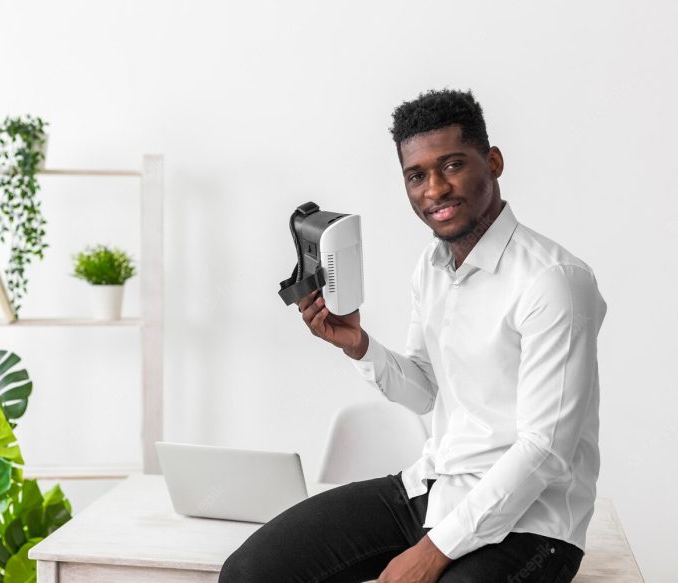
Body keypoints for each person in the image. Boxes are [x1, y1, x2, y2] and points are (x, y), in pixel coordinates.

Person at [219, 88, 607, 583]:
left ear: (493, 162)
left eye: (452, 165)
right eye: (416, 175)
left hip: (532, 528)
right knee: (249, 572)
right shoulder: (433, 264)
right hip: (432, 489)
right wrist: (358, 345)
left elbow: (545, 450)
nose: (434, 190)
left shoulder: (554, 280)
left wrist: (432, 553)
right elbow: (424, 391)